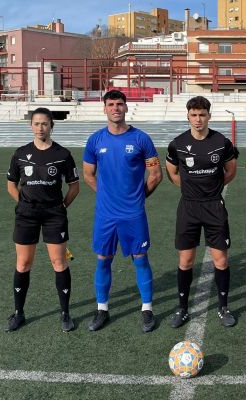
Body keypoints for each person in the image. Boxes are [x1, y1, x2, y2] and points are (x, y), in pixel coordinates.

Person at [83, 90, 163, 333]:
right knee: (103, 260)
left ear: (126, 108)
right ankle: (102, 309)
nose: (116, 108)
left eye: (120, 104)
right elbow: (88, 175)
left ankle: (147, 309)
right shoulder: (95, 140)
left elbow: (156, 175)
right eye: (111, 104)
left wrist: (137, 198)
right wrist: (107, 196)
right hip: (106, 215)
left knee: (140, 259)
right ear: (104, 108)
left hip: (133, 214)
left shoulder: (141, 139)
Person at [164, 96, 239, 329]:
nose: (198, 119)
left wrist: (213, 190)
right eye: (194, 115)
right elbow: (172, 173)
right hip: (189, 206)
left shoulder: (221, 142)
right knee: (186, 260)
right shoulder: (177, 143)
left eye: (202, 114)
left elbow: (230, 171)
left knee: (221, 259)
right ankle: (183, 308)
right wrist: (189, 190)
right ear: (188, 116)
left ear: (209, 116)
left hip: (214, 205)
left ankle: (223, 306)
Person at [4, 107, 80, 332]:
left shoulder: (62, 154)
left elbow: (74, 186)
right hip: (26, 215)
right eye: (36, 124)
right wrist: (22, 204)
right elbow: (11, 185)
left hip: (54, 214)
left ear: (51, 126)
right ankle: (19, 313)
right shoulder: (20, 153)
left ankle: (65, 313)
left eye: (44, 124)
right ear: (31, 126)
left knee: (59, 262)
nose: (40, 128)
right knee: (23, 263)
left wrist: (62, 205)